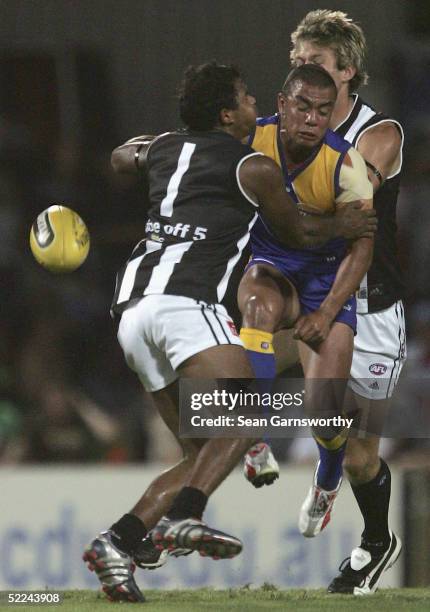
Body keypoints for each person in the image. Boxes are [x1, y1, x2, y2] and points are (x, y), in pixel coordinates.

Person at [82, 61, 376, 603]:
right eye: (244, 96)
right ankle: (184, 519)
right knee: (247, 416)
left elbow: (120, 159)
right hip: (185, 307)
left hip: (132, 314)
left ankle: (117, 543)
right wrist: (344, 225)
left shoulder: (165, 147)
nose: (252, 102)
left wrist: (142, 147)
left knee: (201, 454)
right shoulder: (254, 167)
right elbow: (302, 232)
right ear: (227, 113)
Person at [246, 10, 405, 595]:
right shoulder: (279, 128)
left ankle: (375, 540)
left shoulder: (377, 132)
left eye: (317, 65)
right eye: (298, 65)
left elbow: (349, 206)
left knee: (361, 454)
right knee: (310, 403)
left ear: (348, 74)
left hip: (375, 304)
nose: (305, 75)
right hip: (314, 292)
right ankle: (252, 442)